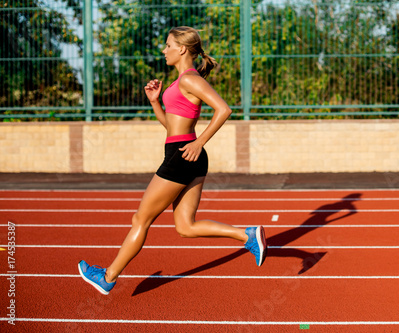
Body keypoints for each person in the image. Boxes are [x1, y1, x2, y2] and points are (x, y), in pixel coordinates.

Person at [78, 26, 267, 295]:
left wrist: (199, 141)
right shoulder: (180, 83)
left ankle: (107, 277)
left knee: (140, 220)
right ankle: (246, 235)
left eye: (168, 45)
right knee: (185, 227)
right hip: (184, 152)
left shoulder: (190, 79)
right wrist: (155, 102)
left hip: (184, 153)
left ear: (181, 49)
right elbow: (171, 126)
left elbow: (224, 109)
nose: (163, 50)